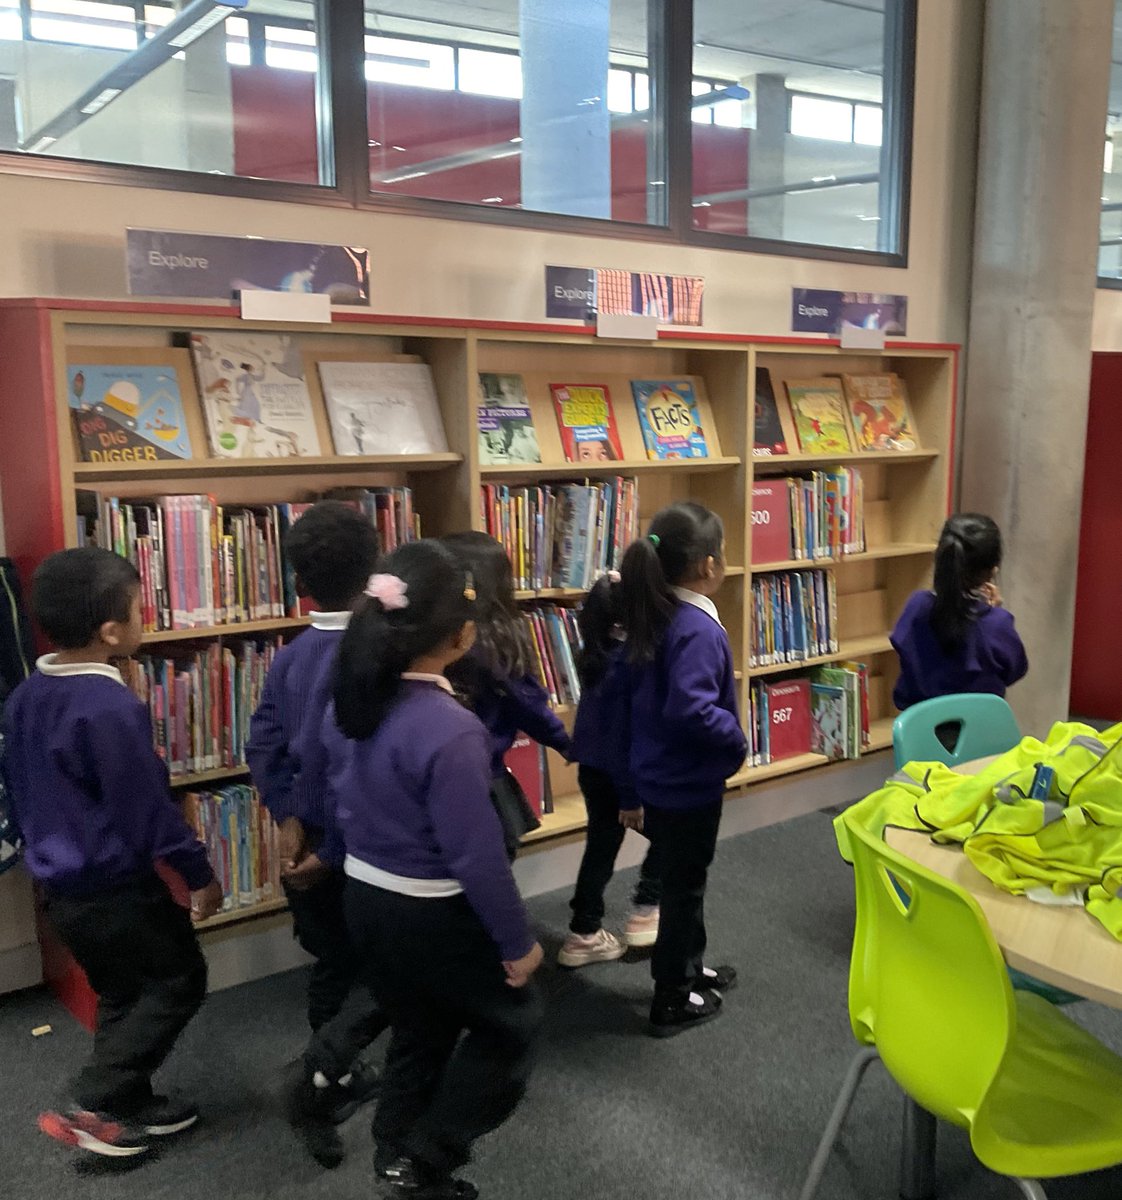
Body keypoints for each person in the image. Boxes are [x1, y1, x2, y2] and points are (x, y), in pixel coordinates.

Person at [327, 541, 544, 1200]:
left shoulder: (359, 700)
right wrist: (517, 944)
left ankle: (394, 1157)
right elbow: (476, 855)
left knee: (419, 1029)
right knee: (514, 1024)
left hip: (367, 898)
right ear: (462, 636)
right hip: (432, 912)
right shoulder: (453, 730)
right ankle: (429, 1154)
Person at [3, 547, 222, 1157]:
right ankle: (93, 1102)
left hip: (62, 891)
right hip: (116, 887)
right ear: (110, 631)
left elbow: (19, 786)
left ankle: (127, 1100)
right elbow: (146, 809)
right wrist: (198, 874)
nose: (144, 616)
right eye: (138, 607)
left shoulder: (27, 695)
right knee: (177, 980)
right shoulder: (109, 708)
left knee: (126, 992)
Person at [246, 501, 387, 1168]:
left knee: (332, 964)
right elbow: (358, 768)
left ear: (299, 582)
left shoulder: (288, 658)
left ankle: (329, 1070)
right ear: (375, 571)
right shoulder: (374, 659)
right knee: (379, 966)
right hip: (349, 851)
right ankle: (323, 1077)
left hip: (305, 848)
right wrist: (327, 848)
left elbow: (265, 742)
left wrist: (283, 819)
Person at [620, 503, 747, 1037]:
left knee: (684, 881)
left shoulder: (656, 609)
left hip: (661, 777)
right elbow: (689, 707)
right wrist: (735, 737)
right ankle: (672, 994)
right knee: (684, 887)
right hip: (686, 785)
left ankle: (691, 969)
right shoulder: (695, 628)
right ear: (708, 566)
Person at [442, 532, 571, 854]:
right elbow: (527, 704)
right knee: (491, 859)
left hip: (441, 770)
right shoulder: (495, 642)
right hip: (485, 776)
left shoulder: (436, 634)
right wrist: (567, 743)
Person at [557, 574, 661, 967]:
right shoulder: (630, 665)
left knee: (600, 847)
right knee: (672, 835)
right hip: (622, 777)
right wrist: (631, 800)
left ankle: (583, 934)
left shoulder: (595, 655)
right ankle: (647, 909)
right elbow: (622, 740)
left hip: (592, 771)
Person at [891, 512, 1028, 711]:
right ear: (992, 571)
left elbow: (905, 653)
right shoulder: (996, 623)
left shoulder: (916, 606)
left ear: (940, 558)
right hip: (983, 735)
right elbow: (1015, 671)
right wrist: (993, 613)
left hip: (920, 735)